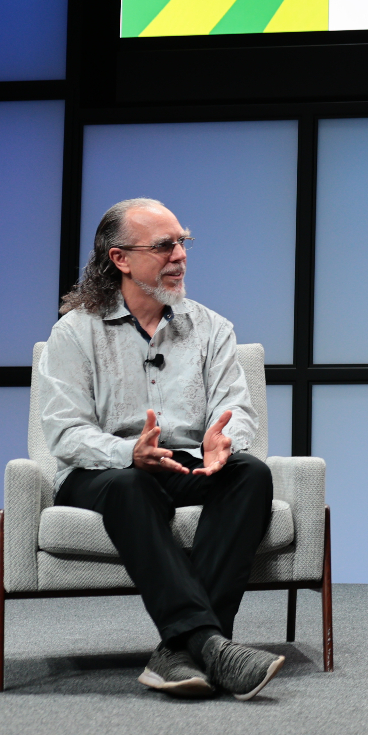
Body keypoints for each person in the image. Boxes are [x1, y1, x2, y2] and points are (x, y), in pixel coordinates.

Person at [40, 198, 286, 700]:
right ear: (120, 259)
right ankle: (211, 644)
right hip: (103, 472)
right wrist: (128, 452)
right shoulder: (75, 333)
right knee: (132, 485)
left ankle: (182, 650)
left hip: (182, 462)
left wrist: (224, 441)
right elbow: (64, 434)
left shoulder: (212, 328)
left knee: (250, 474)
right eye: (164, 245)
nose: (179, 255)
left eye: (183, 242)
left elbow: (235, 410)